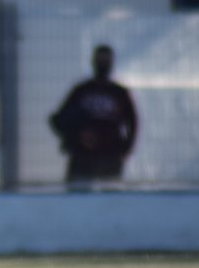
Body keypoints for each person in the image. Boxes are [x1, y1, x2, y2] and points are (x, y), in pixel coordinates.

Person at [49, 44, 138, 185]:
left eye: (106, 60)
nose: (102, 64)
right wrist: (77, 136)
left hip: (110, 156)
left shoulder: (119, 93)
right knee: (79, 197)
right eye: (100, 60)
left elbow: (132, 121)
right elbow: (59, 120)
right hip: (83, 158)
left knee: (110, 199)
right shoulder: (82, 91)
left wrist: (126, 148)